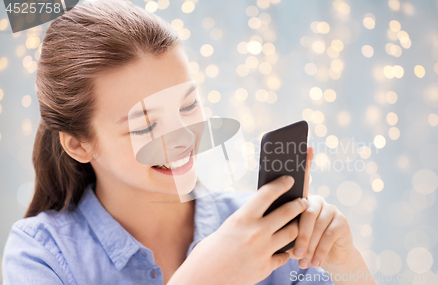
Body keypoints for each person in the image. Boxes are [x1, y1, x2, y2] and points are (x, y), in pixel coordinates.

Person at [1, 0, 376, 284]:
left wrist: (346, 264)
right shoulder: (42, 255)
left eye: (189, 105)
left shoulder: (265, 231)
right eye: (145, 128)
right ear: (79, 145)